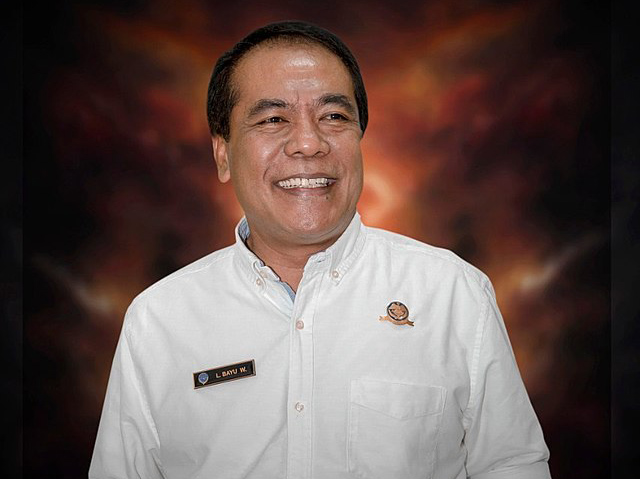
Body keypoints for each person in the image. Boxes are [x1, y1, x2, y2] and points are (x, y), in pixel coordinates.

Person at [90, 20, 551, 479]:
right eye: (273, 119)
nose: (309, 144)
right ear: (222, 154)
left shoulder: (453, 294)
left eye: (333, 116)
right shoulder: (159, 320)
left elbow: (511, 465)